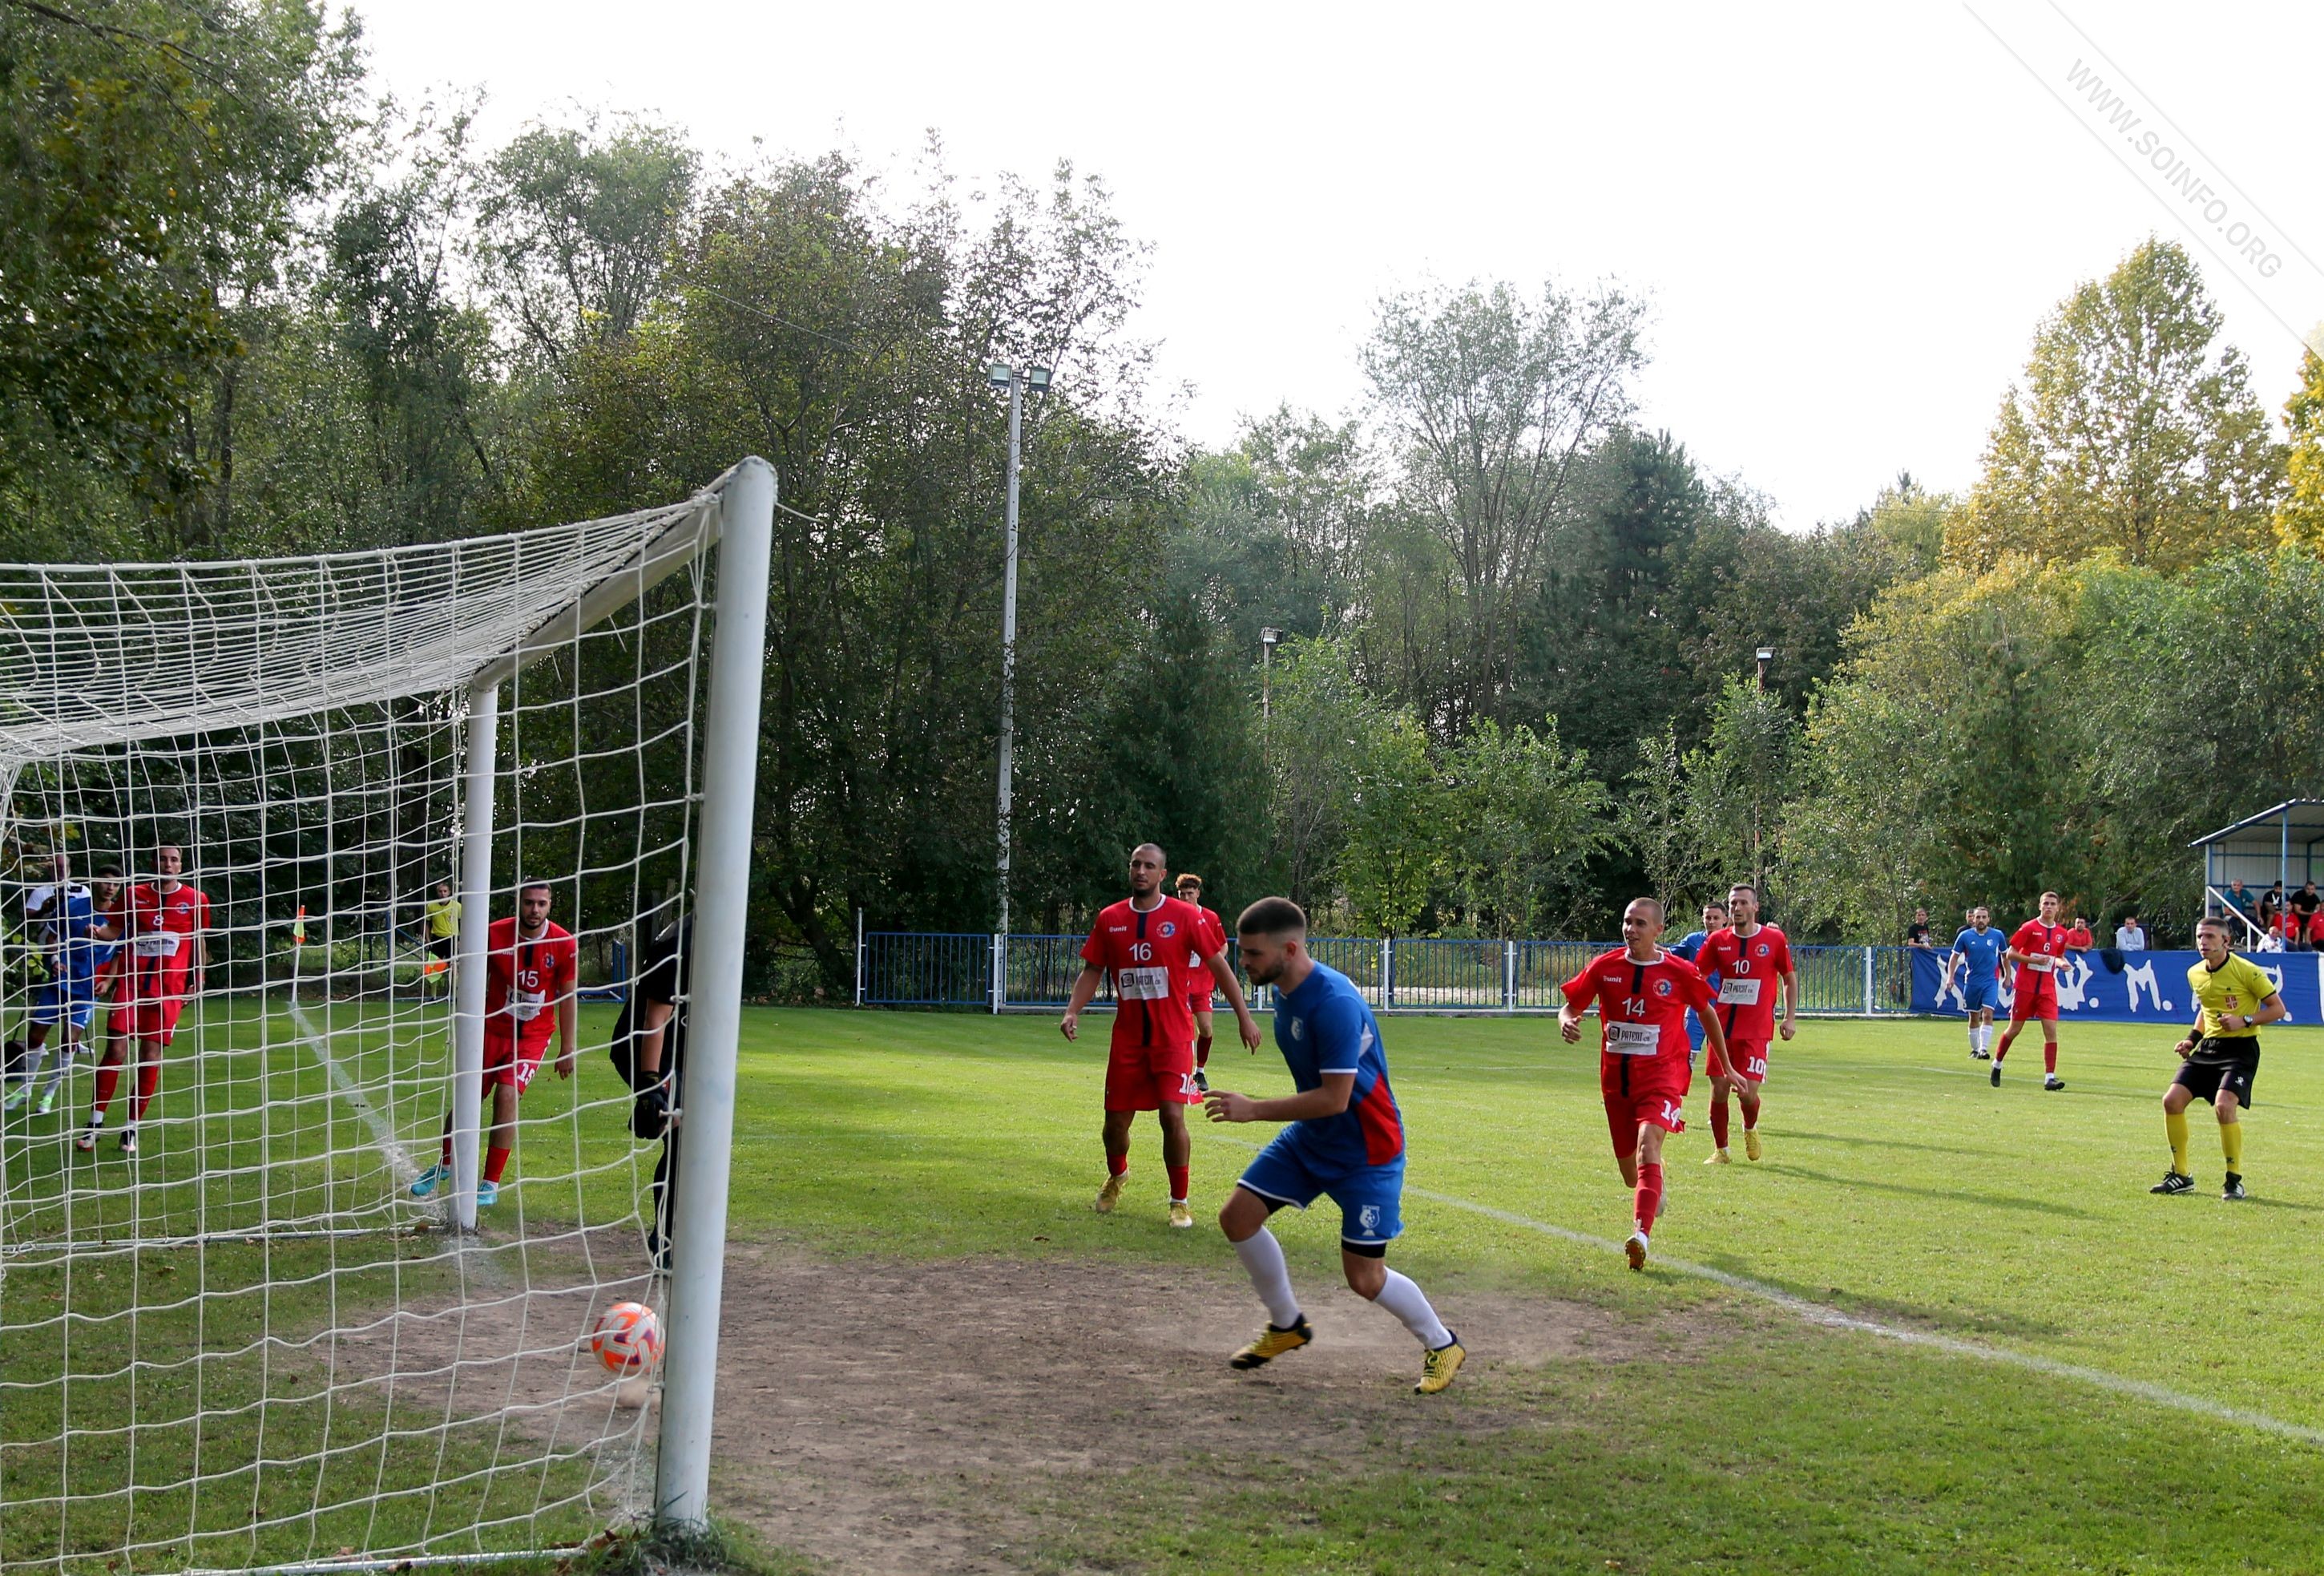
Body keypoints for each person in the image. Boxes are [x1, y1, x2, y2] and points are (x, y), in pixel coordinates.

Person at [1206, 896, 1466, 1393]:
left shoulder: (1334, 1003)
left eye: (1253, 955)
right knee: (1237, 1218)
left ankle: (1442, 1343)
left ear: (1290, 948)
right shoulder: (1284, 988)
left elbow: (1334, 1097)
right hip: (1312, 1139)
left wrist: (1254, 1108)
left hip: (1367, 1150)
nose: (1244, 964)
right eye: (1241, 953)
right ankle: (1287, 1326)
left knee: (1365, 1279)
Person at [1061, 843, 1260, 1229]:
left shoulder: (1185, 917)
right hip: (1128, 1041)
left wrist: (1243, 1016)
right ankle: (1117, 1176)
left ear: (1162, 875)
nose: (1140, 871)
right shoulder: (1110, 918)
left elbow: (1219, 966)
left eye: (1149, 866)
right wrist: (1072, 1010)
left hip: (1172, 1038)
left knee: (1172, 1115)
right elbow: (1092, 970)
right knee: (1114, 1126)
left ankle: (1179, 1202)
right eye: (1135, 864)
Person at [1559, 897, 1728, 1271]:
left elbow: (1707, 1012)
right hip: (1616, 1083)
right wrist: (1565, 1021)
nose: (1630, 929)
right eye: (1627, 921)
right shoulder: (1606, 967)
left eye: (1639, 923)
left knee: (1647, 1146)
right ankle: (1655, 1180)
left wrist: (1726, 1067)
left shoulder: (1679, 971)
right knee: (1630, 1175)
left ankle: (1640, 1236)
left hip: (1663, 1078)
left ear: (1658, 930)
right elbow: (1572, 1005)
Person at [409, 879, 579, 1207]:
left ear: (550, 905)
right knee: (469, 1097)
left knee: (507, 1094)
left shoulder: (564, 943)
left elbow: (569, 996)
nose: (535, 909)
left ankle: (490, 1182)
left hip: (532, 1036)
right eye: (529, 902)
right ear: (519, 903)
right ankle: (444, 1164)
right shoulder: (494, 933)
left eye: (541, 904)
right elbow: (472, 976)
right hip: (489, 1029)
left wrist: (567, 1047)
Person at [76, 845, 209, 1154]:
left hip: (168, 990)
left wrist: (199, 979)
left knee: (150, 1056)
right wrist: (97, 932)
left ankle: (131, 1129)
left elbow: (199, 940)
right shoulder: (133, 894)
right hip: (131, 985)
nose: (168, 864)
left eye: (174, 859)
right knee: (116, 1049)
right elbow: (114, 931)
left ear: (180, 866)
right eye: (162, 859)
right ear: (153, 863)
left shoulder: (196, 899)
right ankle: (95, 1123)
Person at [2149, 917, 2285, 1201]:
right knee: (2171, 1101)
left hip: (2241, 1049)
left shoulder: (2247, 970)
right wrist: (2191, 1039)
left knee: (2224, 1107)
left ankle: (2233, 1181)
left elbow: (2277, 1010)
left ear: (2227, 941)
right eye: (2200, 936)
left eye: (2210, 937)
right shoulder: (2195, 973)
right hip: (2209, 1048)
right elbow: (2206, 1010)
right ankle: (2182, 1175)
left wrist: (2245, 1020)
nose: (2203, 942)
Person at [7, 855, 118, 1117]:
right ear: (95, 883)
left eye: (115, 884)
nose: (109, 887)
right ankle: (25, 1090)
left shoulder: (121, 915)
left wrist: (108, 980)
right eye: (104, 882)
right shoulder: (74, 906)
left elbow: (120, 954)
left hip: (88, 987)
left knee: (70, 1041)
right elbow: (54, 936)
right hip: (61, 981)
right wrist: (55, 960)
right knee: (35, 1036)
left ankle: (48, 1096)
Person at [612, 908, 690, 1271]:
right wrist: (650, 1088)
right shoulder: (679, 944)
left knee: (690, 1143)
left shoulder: (725, 935)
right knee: (682, 1142)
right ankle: (667, 1235)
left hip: (685, 1051)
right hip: (644, 1049)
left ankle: (678, 1231)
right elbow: (653, 1020)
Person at [1696, 883, 1797, 1164]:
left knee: (1748, 1093)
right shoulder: (1717, 941)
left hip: (1757, 1030)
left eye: (1742, 903)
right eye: (1732, 904)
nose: (1736, 908)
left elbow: (1789, 977)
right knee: (1718, 1088)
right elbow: (1697, 976)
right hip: (1723, 1027)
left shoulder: (1774, 939)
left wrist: (1790, 1017)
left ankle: (1750, 1127)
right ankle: (1721, 1151)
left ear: (1755, 908)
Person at [1991, 891, 2069, 1092]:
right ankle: (1997, 1063)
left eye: (2053, 904)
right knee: (2014, 1029)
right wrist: (2034, 960)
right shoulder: (2029, 928)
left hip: (2047, 990)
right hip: (2025, 987)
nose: (2049, 907)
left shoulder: (2062, 933)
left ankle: (2049, 1077)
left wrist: (2062, 963)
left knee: (2051, 1031)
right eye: (2046, 903)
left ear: (2058, 908)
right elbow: (2010, 953)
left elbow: (2057, 955)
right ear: (2040, 906)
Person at [1172, 872, 1229, 1093]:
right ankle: (1182, 1075)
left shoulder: (1210, 918)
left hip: (1203, 982)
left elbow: (1222, 945)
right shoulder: (1173, 917)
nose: (1185, 898)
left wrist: (1215, 962)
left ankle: (1200, 1070)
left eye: (1189, 893)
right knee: (1182, 1030)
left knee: (1205, 1028)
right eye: (1182, 894)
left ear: (1198, 893)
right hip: (1178, 982)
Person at [1669, 902, 1727, 1065]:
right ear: (1703, 919)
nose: (1711, 921)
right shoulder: (1693, 941)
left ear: (1725, 919)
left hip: (1724, 1009)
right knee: (1686, 1055)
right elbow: (1669, 956)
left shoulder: (1734, 942)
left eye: (1716, 918)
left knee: (1721, 1061)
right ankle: (1677, 1090)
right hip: (1697, 1008)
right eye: (1708, 917)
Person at [1947, 905, 2007, 1061]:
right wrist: (1950, 977)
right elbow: (1954, 957)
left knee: (1988, 1014)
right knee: (1974, 1017)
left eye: (1983, 917)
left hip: (1990, 982)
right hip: (1972, 982)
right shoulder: (1965, 936)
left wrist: (2007, 976)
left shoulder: (1997, 935)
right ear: (1973, 919)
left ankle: (1983, 1049)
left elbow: (2005, 956)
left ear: (1989, 919)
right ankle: (1975, 1049)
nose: (1980, 920)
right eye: (1978, 917)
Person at [422, 879, 461, 994]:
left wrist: (460, 941)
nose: (442, 894)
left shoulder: (457, 906)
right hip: (437, 939)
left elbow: (463, 923)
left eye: (445, 891)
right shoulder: (431, 906)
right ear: (437, 893)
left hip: (452, 940)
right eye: (440, 891)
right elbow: (427, 924)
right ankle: (433, 997)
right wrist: (428, 940)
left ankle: (455, 995)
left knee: (454, 968)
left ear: (449, 892)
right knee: (433, 970)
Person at [2294, 881, 2322, 952]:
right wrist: (2312, 914)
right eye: (2308, 889)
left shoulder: (2315, 898)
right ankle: (2299, 949)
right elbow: (2297, 911)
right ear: (2305, 888)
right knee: (2299, 930)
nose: (2310, 891)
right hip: (2297, 917)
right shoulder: (2299, 895)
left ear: (2315, 890)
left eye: (2312, 889)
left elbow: (2318, 909)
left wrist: (2314, 914)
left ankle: (2309, 946)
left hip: (2309, 918)